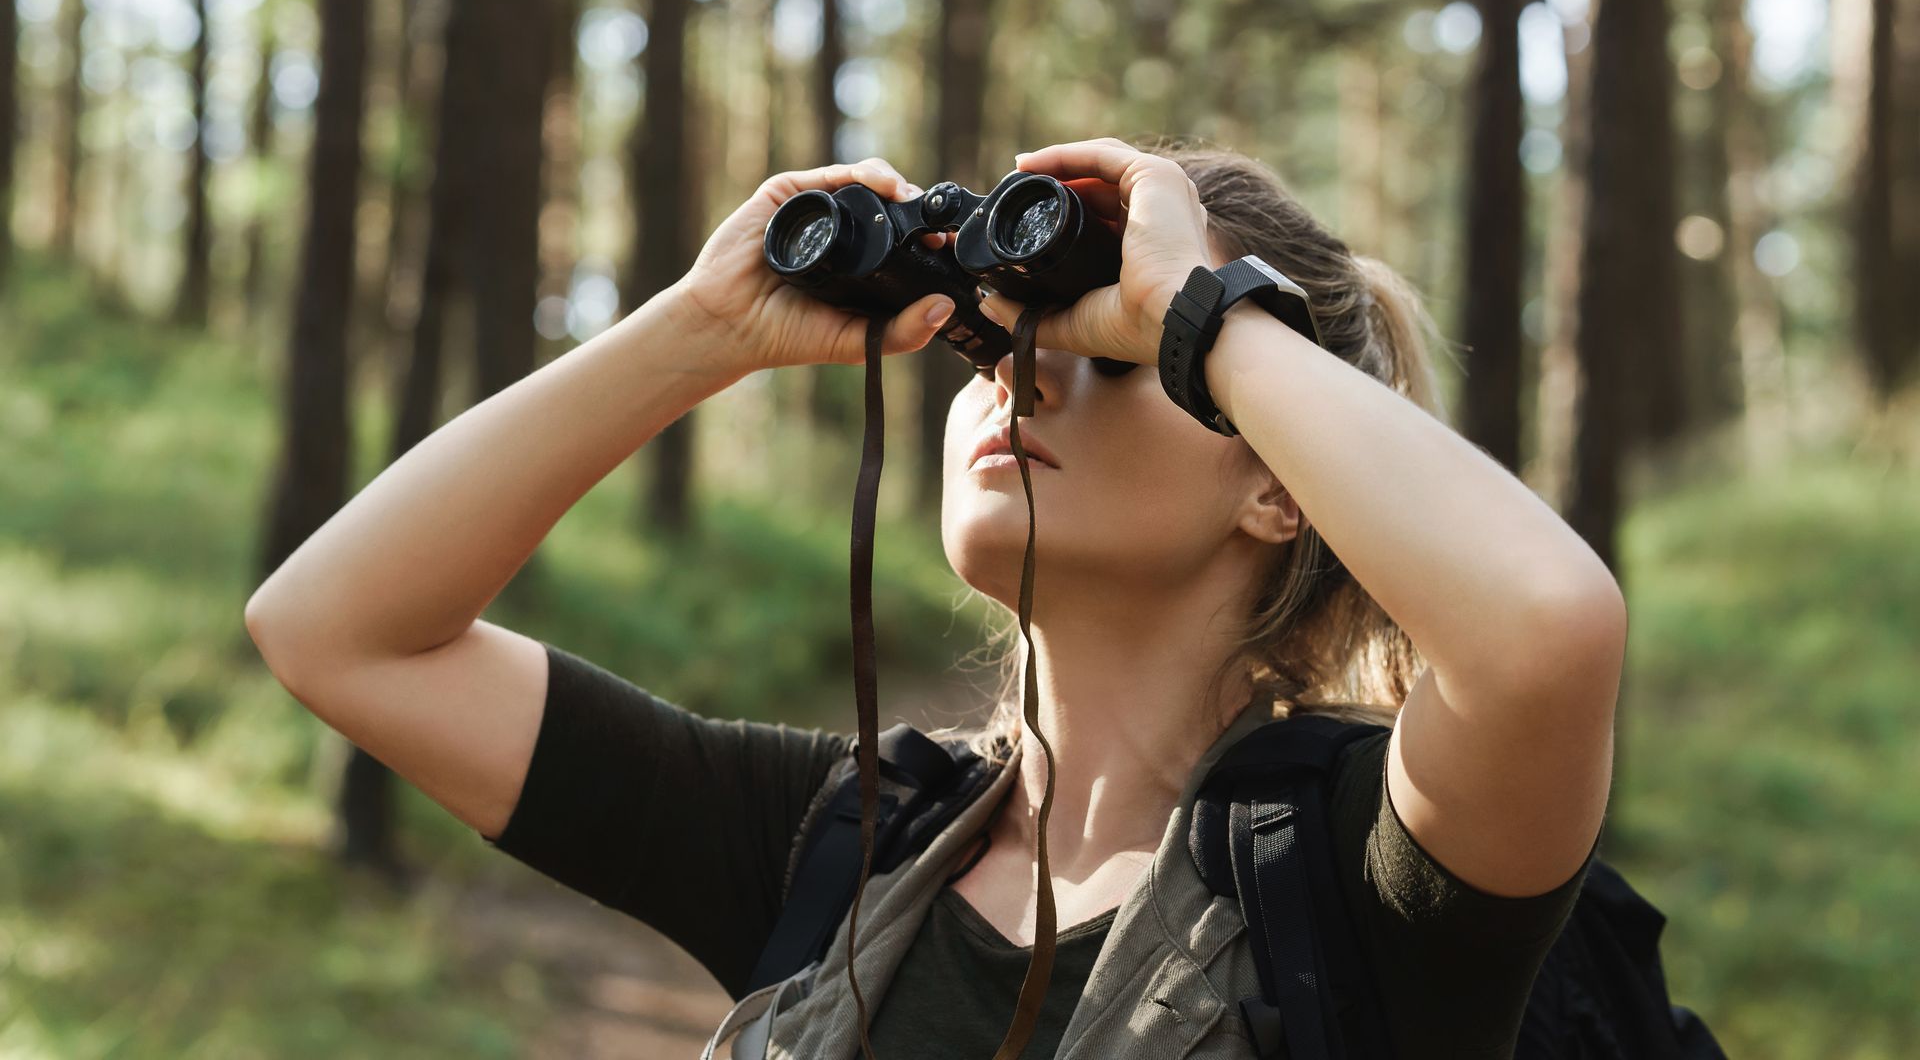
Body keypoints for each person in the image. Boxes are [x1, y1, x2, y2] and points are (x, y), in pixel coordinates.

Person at [245, 136, 1624, 1058]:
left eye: (1115, 353)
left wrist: (1204, 314)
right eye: (1004, 338)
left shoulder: (1362, 867)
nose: (1023, 373)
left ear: (1279, 486)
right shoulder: (844, 846)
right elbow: (336, 629)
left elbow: (1546, 630)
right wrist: (699, 330)